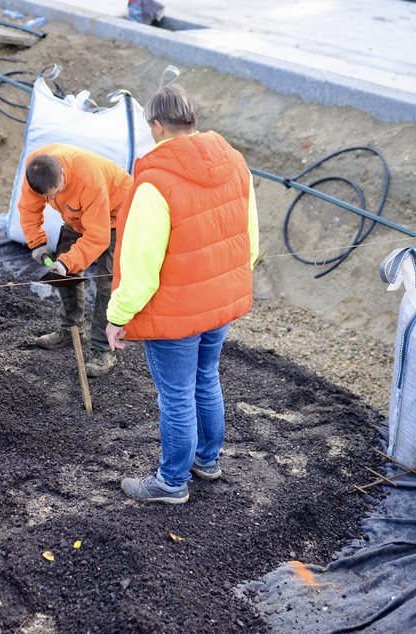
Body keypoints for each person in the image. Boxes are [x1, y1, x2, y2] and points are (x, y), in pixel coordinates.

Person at [106, 84, 260, 504]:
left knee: (175, 396)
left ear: (157, 126)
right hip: (219, 303)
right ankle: (206, 461)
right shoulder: (236, 163)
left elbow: (140, 262)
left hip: (175, 313)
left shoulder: (154, 182)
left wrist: (118, 315)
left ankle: (171, 482)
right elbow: (250, 239)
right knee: (206, 379)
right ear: (192, 121)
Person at [17, 143, 134, 377]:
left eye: (56, 191)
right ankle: (70, 331)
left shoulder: (88, 178)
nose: (52, 197)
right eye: (47, 196)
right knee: (63, 273)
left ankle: (103, 350)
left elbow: (98, 237)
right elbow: (29, 209)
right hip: (77, 216)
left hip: (115, 216)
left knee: (107, 283)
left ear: (63, 174)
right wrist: (37, 243)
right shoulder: (36, 168)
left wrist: (68, 261)